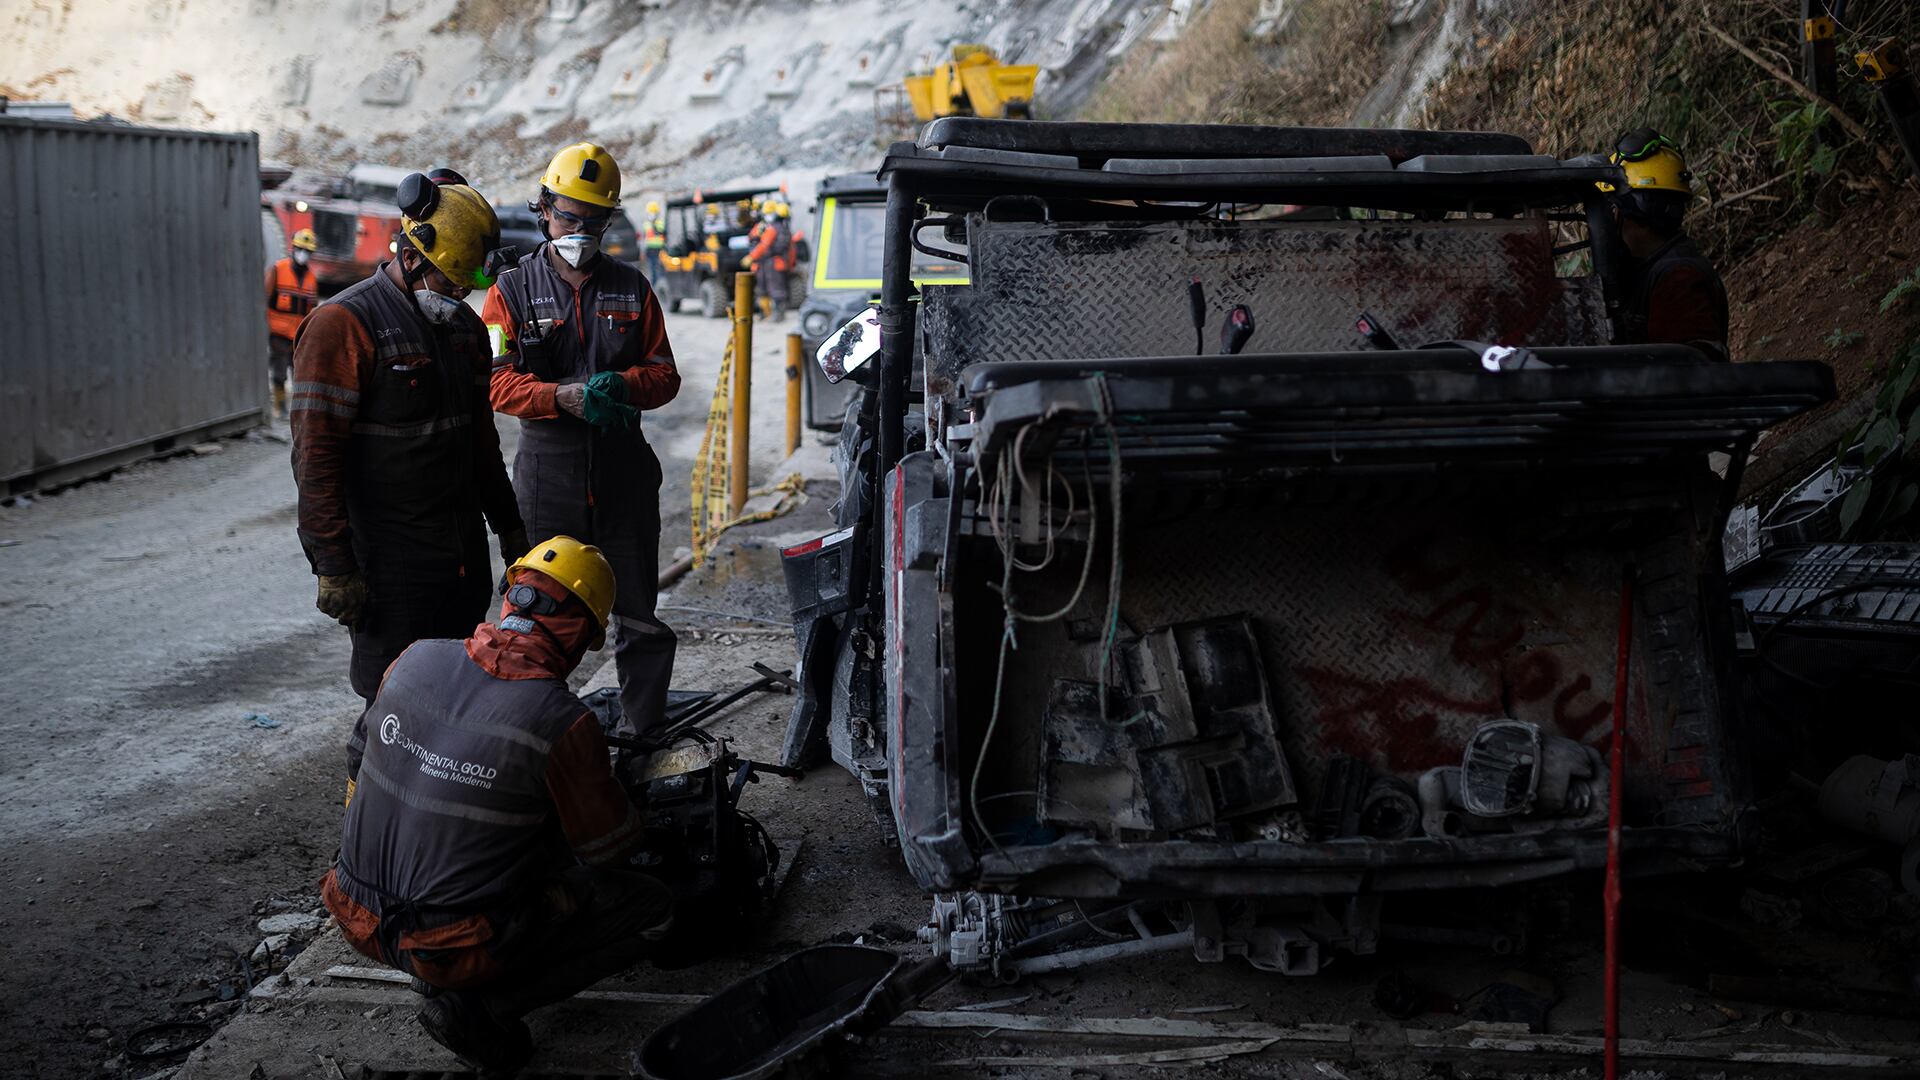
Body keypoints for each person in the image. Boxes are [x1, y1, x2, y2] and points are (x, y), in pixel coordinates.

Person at [320, 536, 675, 1074]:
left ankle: (433, 965)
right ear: (581, 636)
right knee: (653, 907)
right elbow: (609, 849)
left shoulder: (414, 658)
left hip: (355, 911)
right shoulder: (561, 720)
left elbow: (358, 758)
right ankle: (482, 1007)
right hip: (448, 942)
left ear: (509, 601)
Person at [290, 168, 529, 714]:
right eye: (450, 282)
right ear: (414, 255)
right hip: (392, 565)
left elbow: (481, 444)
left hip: (461, 557)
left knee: (458, 699)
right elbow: (316, 459)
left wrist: (511, 529)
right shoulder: (343, 325)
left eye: (466, 286)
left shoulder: (465, 330)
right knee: (393, 708)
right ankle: (371, 798)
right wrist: (333, 563)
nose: (458, 295)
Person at [483, 142, 682, 742]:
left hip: (623, 477)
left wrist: (621, 385)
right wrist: (559, 398)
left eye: (595, 220)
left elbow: (665, 374)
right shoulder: (511, 291)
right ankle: (535, 734)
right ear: (544, 208)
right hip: (548, 479)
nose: (581, 230)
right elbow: (492, 382)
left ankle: (642, 733)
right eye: (570, 216)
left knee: (639, 615)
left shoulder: (632, 288)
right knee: (536, 613)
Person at [1601, 129, 1730, 361]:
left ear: (1640, 209)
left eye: (1612, 208)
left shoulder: (1678, 279)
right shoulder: (1642, 268)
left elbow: (1683, 378)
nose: (1608, 219)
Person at [267, 228, 320, 418]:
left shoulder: (312, 279)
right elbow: (265, 298)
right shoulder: (277, 269)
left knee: (300, 374)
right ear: (294, 247)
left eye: (307, 251)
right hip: (278, 334)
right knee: (279, 373)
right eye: (300, 249)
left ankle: (297, 410)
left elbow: (312, 309)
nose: (303, 254)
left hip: (299, 337)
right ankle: (279, 408)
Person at [743, 203, 792, 321]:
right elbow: (753, 237)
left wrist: (751, 257)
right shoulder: (769, 227)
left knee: (776, 288)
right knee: (763, 288)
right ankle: (766, 312)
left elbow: (764, 244)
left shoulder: (773, 228)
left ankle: (777, 314)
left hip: (773, 261)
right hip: (766, 262)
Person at [641, 199, 666, 290]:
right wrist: (643, 251)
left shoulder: (661, 223)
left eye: (653, 212)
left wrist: (654, 225)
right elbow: (644, 238)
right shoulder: (646, 224)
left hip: (660, 249)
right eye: (650, 212)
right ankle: (654, 289)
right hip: (650, 249)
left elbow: (662, 233)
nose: (651, 214)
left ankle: (661, 288)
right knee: (652, 270)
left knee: (660, 269)